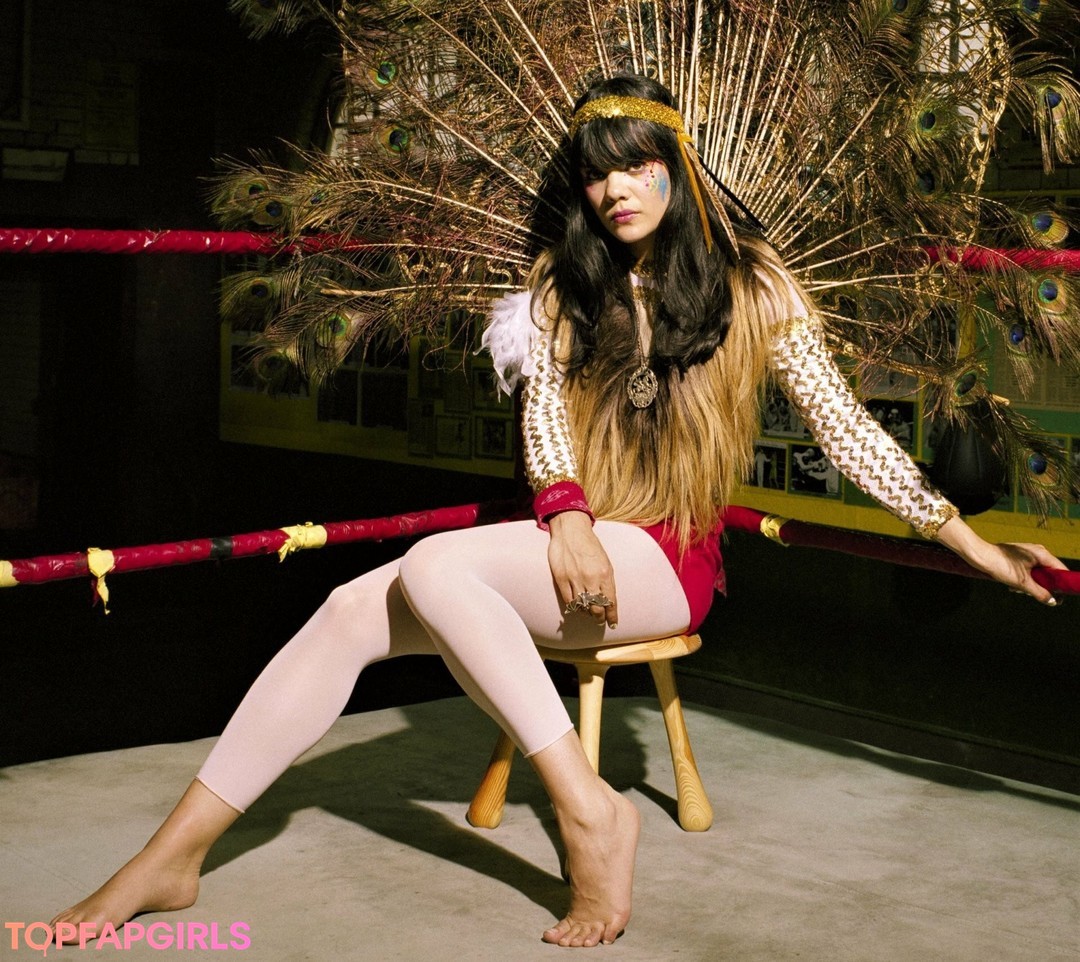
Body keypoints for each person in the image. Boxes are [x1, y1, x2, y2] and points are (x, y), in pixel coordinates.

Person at [49, 73, 1067, 950]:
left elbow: (843, 429)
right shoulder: (561, 283)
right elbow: (543, 419)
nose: (614, 189)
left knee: (436, 565)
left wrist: (968, 542)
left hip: (667, 557)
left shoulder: (757, 287)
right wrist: (569, 516)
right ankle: (171, 856)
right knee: (351, 609)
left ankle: (588, 811)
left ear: (678, 165)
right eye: (595, 173)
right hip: (574, 538)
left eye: (636, 166)